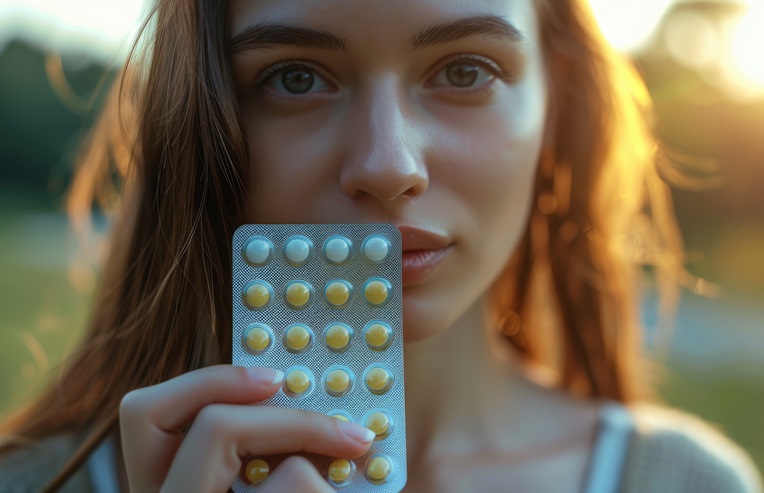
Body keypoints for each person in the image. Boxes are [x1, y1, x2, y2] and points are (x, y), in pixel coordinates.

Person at [1, 0, 762, 491]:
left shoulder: (686, 482)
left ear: (557, 109)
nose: (388, 165)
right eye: (295, 78)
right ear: (202, 129)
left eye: (467, 70)